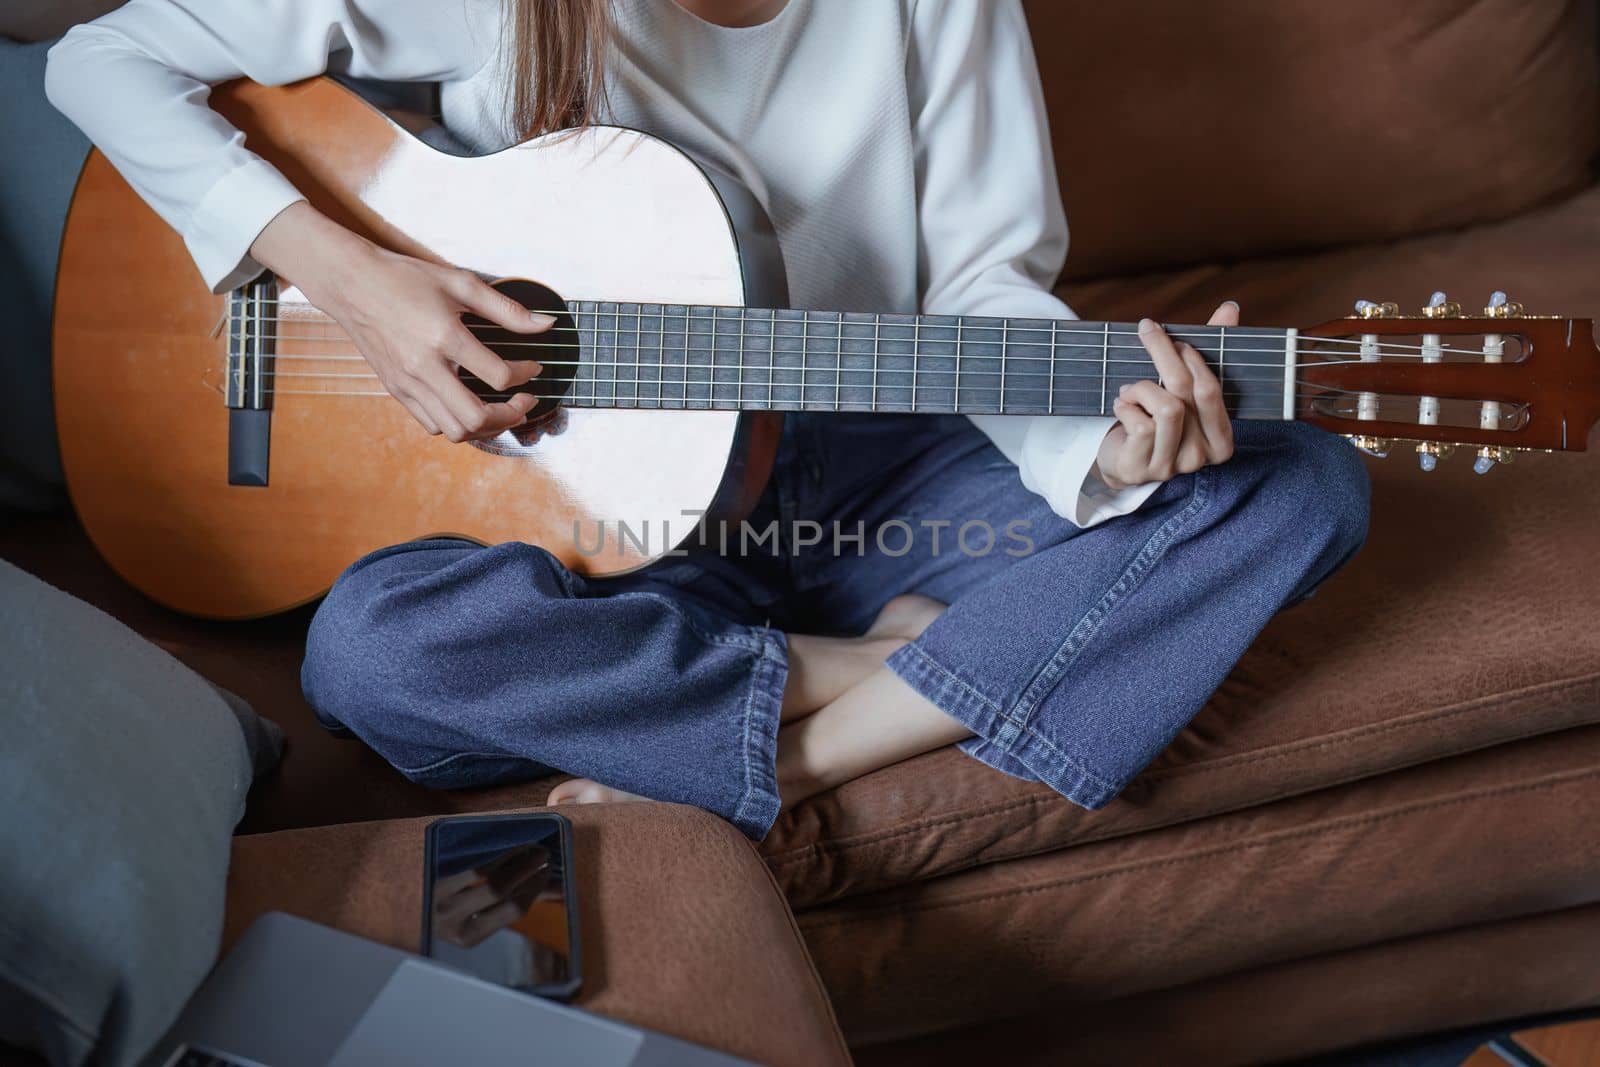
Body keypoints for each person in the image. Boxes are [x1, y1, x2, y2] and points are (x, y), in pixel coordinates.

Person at [45, 0, 1369, 840]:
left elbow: (980, 288)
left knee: (1302, 485)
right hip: (585, 509)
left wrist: (1105, 453)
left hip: (880, 463)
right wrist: (354, 278)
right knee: (374, 655)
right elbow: (102, 59)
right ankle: (892, 665)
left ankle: (798, 750)